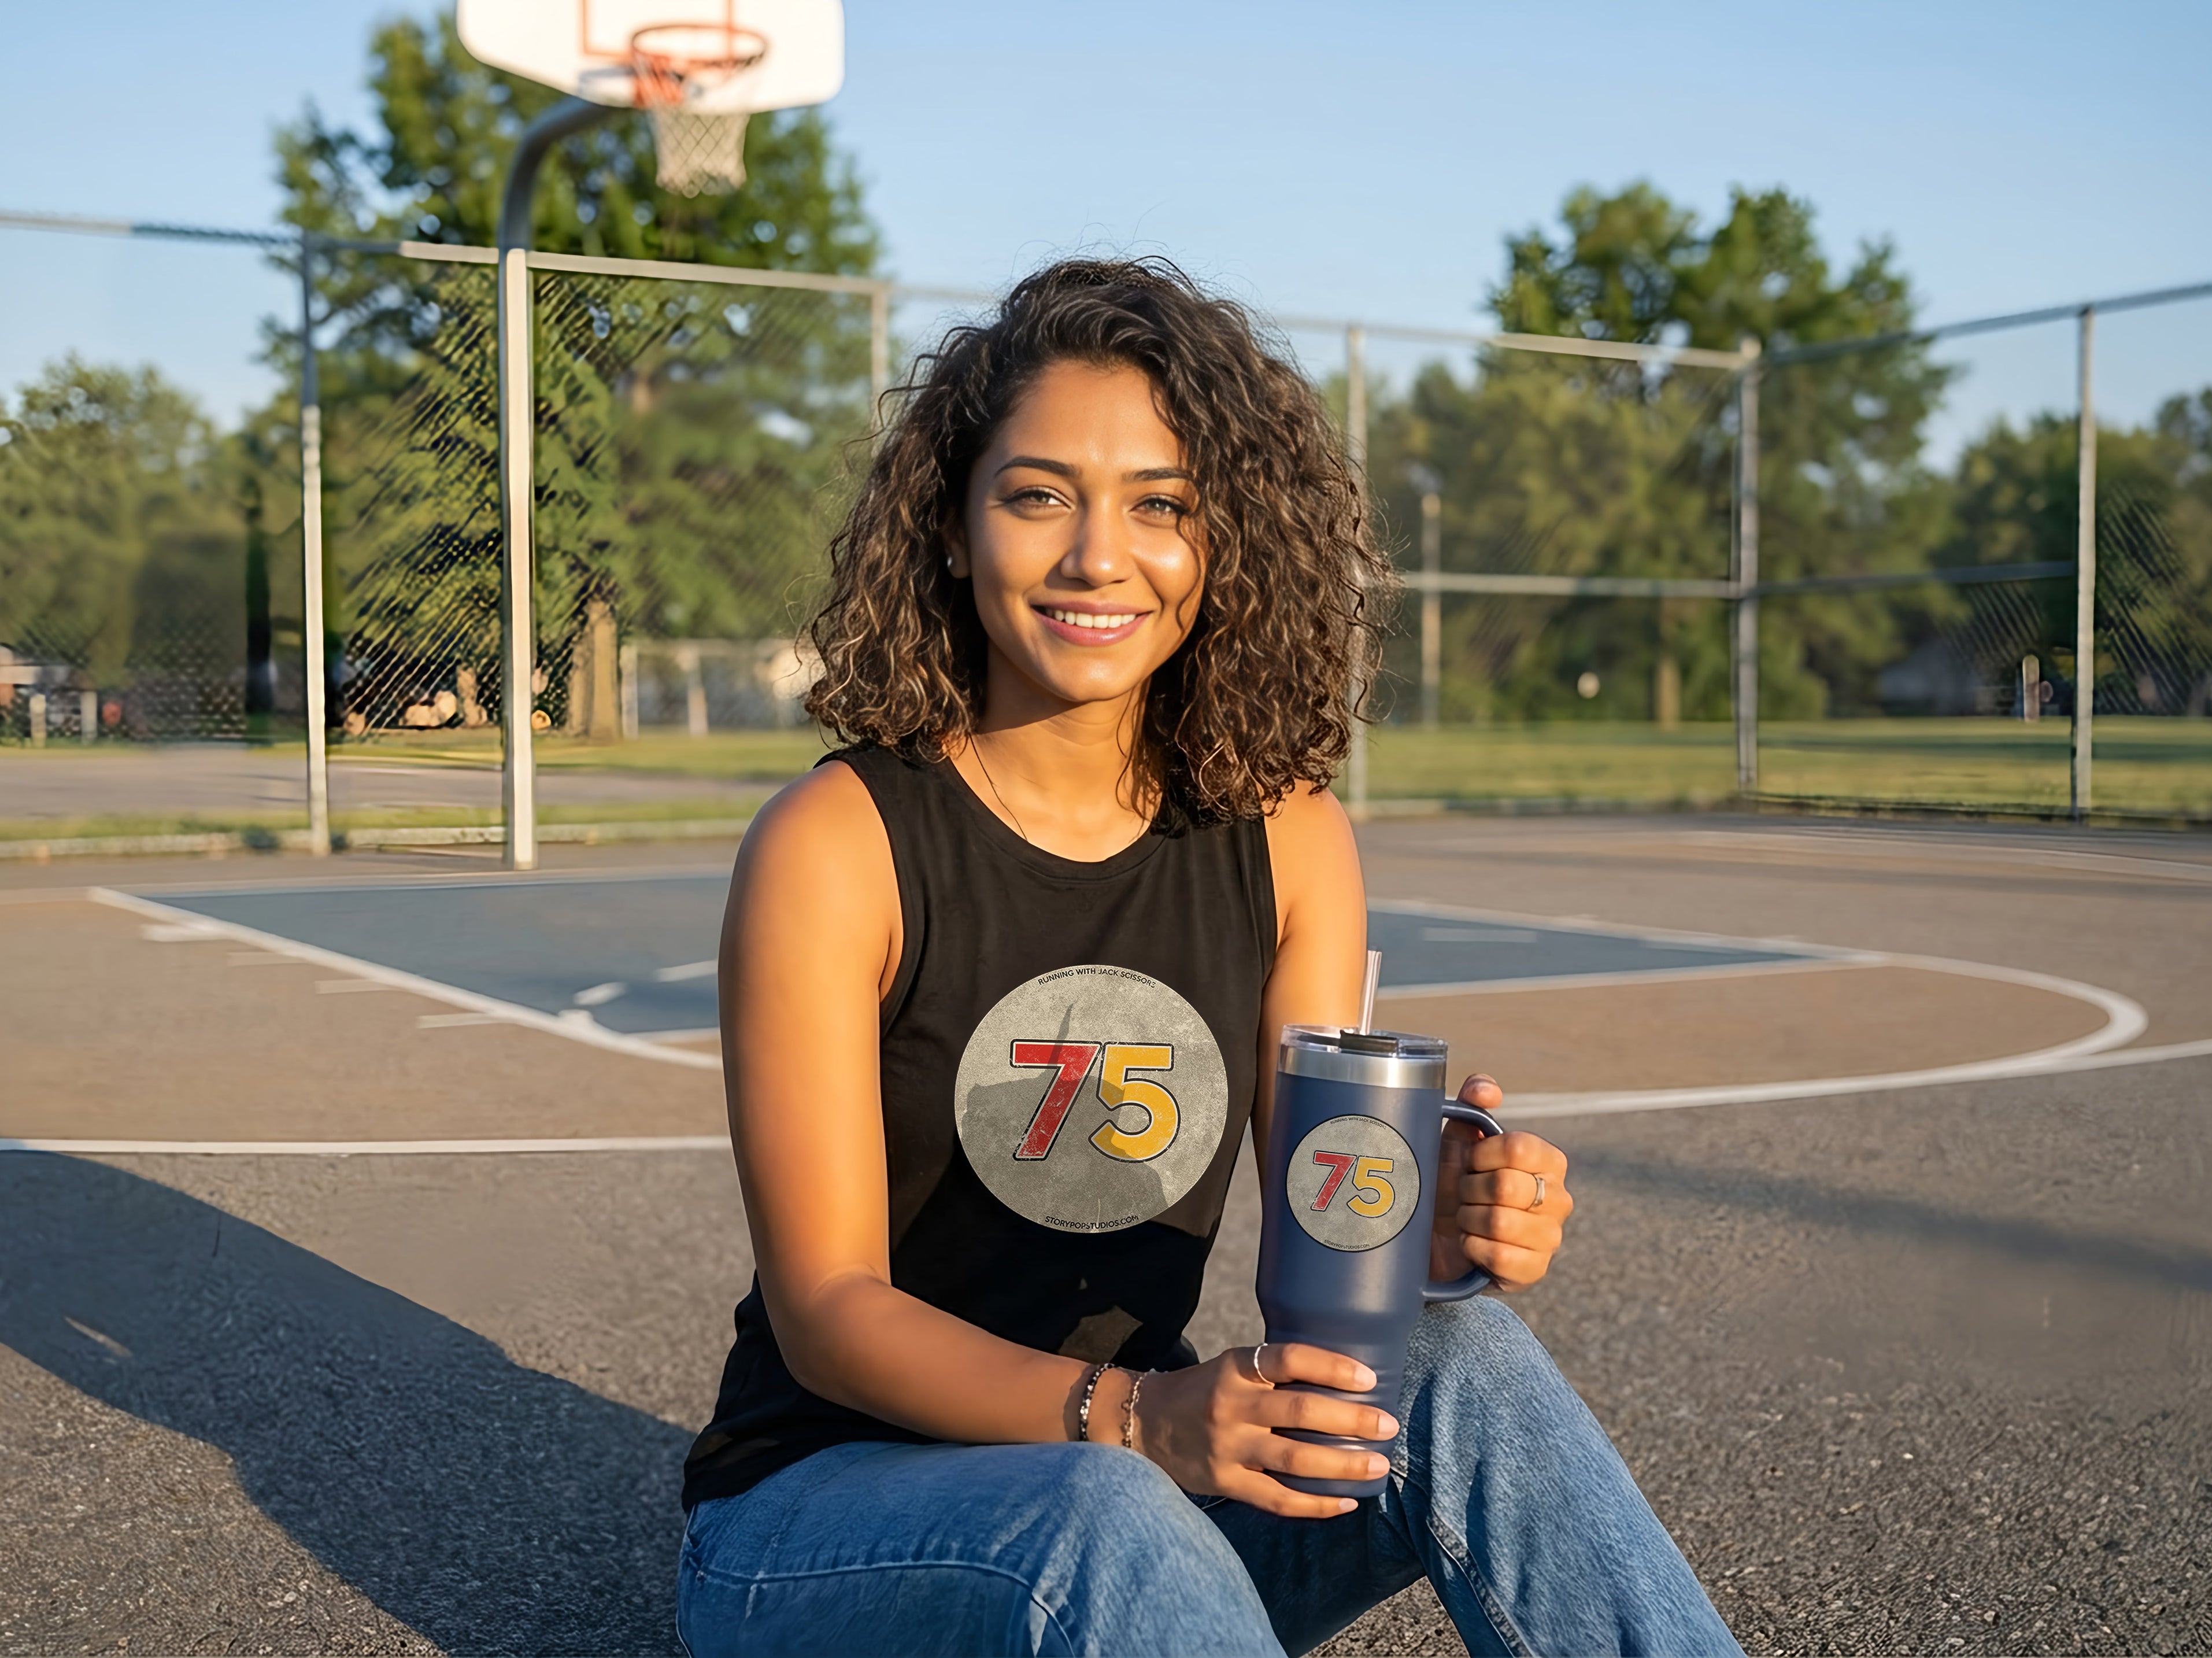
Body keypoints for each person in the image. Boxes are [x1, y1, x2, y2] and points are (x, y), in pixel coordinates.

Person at [676, 258, 1737, 1658]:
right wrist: (1137, 1420)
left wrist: (1440, 1219)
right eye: (1038, 493)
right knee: (1098, 1515)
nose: (1098, 557)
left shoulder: (1290, 839)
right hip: (825, 1522)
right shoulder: (840, 841)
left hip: (1138, 1492)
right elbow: (829, 1317)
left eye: (1160, 506)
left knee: (1447, 1362)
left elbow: (1333, 1222)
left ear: (1221, 543)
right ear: (949, 526)